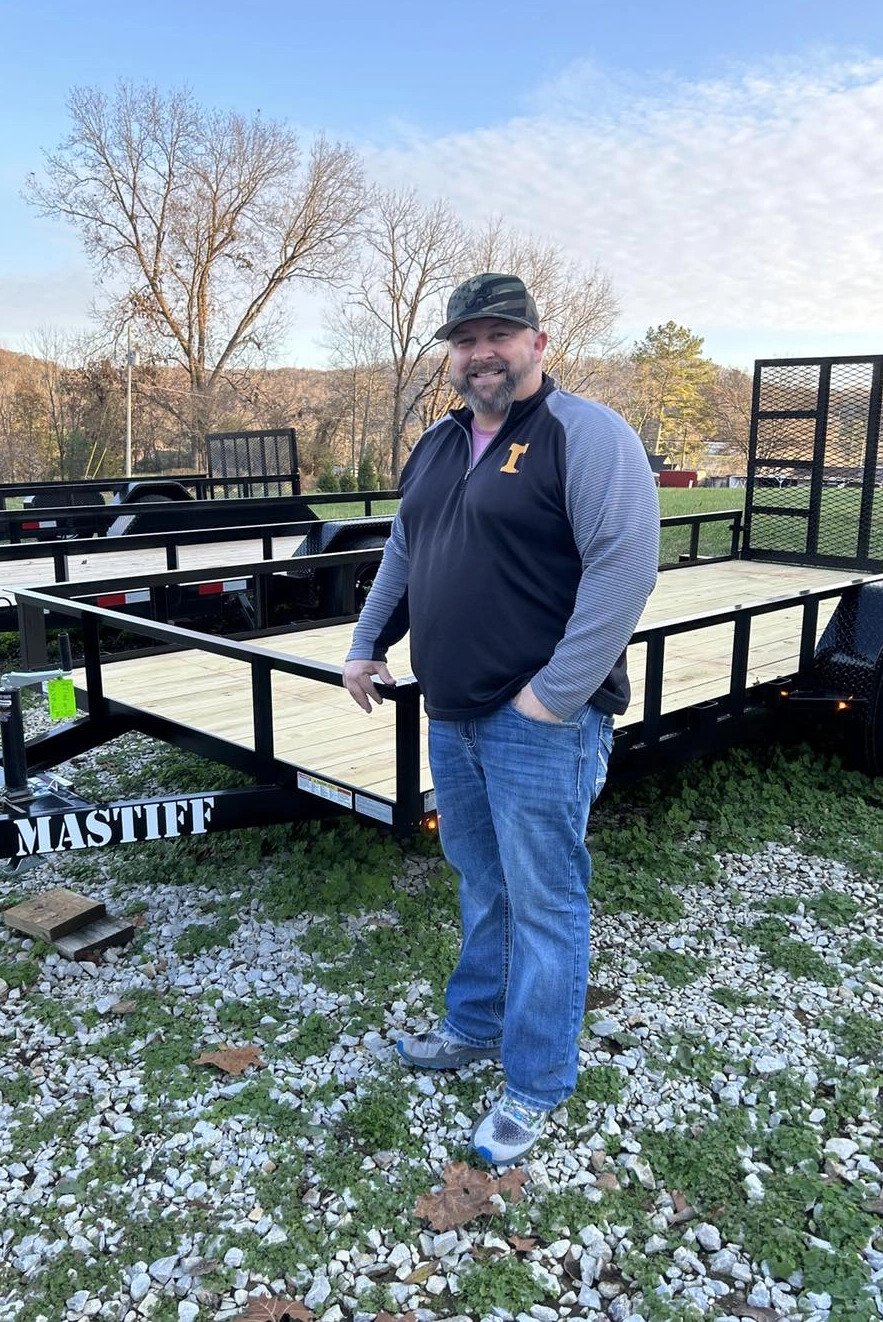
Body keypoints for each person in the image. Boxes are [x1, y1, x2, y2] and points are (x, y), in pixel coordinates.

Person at [343, 273, 659, 1165]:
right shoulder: (439, 443)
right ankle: (474, 1027)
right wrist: (369, 642)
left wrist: (551, 695)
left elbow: (626, 569)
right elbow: (408, 545)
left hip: (539, 724)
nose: (482, 352)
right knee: (481, 882)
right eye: (466, 338)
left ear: (537, 344)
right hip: (453, 712)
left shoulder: (586, 436)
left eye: (500, 335)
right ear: (451, 353)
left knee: (547, 902)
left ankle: (537, 1082)